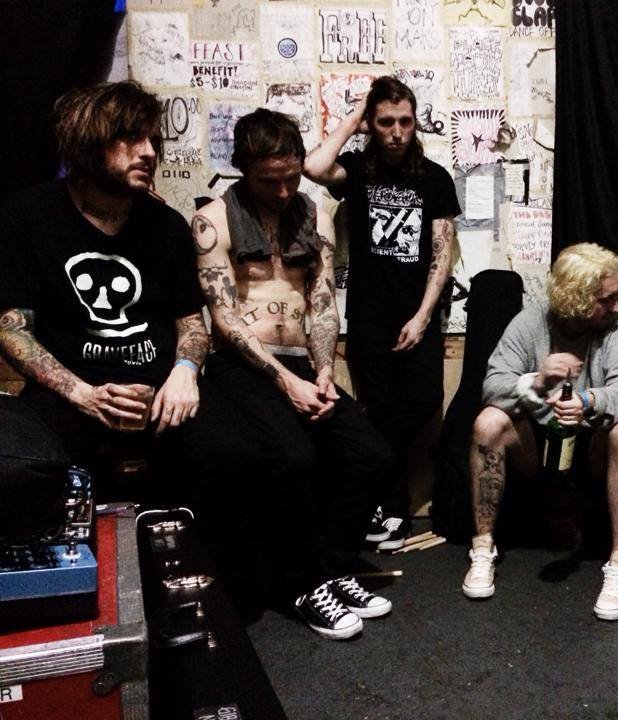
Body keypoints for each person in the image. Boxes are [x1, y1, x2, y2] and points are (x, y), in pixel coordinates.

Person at [192, 108, 395, 640]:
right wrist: (285, 380)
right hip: (242, 366)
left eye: (291, 178)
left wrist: (324, 369)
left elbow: (322, 304)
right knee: (295, 456)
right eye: (269, 181)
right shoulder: (213, 220)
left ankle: (334, 569)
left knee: (370, 454)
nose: (283, 191)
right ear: (244, 168)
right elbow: (223, 317)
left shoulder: (313, 214)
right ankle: (302, 584)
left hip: (306, 364)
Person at [0, 80, 217, 490]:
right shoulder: (27, 216)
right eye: (132, 137)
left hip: (160, 392)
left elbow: (191, 324)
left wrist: (185, 372)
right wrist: (82, 394)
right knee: (22, 473)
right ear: (90, 141)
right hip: (69, 392)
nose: (149, 152)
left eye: (153, 140)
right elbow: (12, 329)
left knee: (238, 455)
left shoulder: (169, 226)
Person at [302, 76, 461, 550]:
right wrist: (353, 120)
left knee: (423, 401)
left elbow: (442, 254)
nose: (396, 132)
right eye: (386, 122)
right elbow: (313, 166)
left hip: (418, 316)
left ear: (415, 123)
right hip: (369, 317)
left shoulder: (435, 178)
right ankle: (391, 513)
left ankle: (371, 497)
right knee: (379, 409)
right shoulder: (358, 170)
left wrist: (423, 316)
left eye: (404, 122)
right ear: (373, 124)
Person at [460, 243, 618, 621]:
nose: (615, 305)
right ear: (577, 300)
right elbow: (492, 386)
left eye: (616, 295)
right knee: (488, 422)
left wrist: (590, 400)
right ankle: (482, 547)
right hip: (540, 446)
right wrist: (537, 380)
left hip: (593, 446)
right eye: (605, 299)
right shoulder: (529, 323)